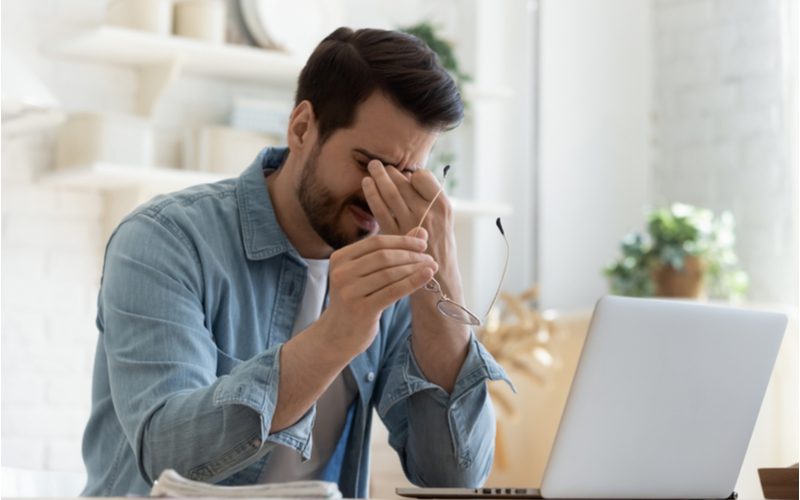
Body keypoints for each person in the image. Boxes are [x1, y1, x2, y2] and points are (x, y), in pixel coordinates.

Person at [81, 27, 511, 497]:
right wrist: (336, 334)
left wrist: (442, 282)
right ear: (303, 127)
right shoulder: (164, 240)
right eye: (367, 163)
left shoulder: (398, 270)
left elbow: (455, 477)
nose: (379, 195)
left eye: (406, 175)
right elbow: (168, 456)